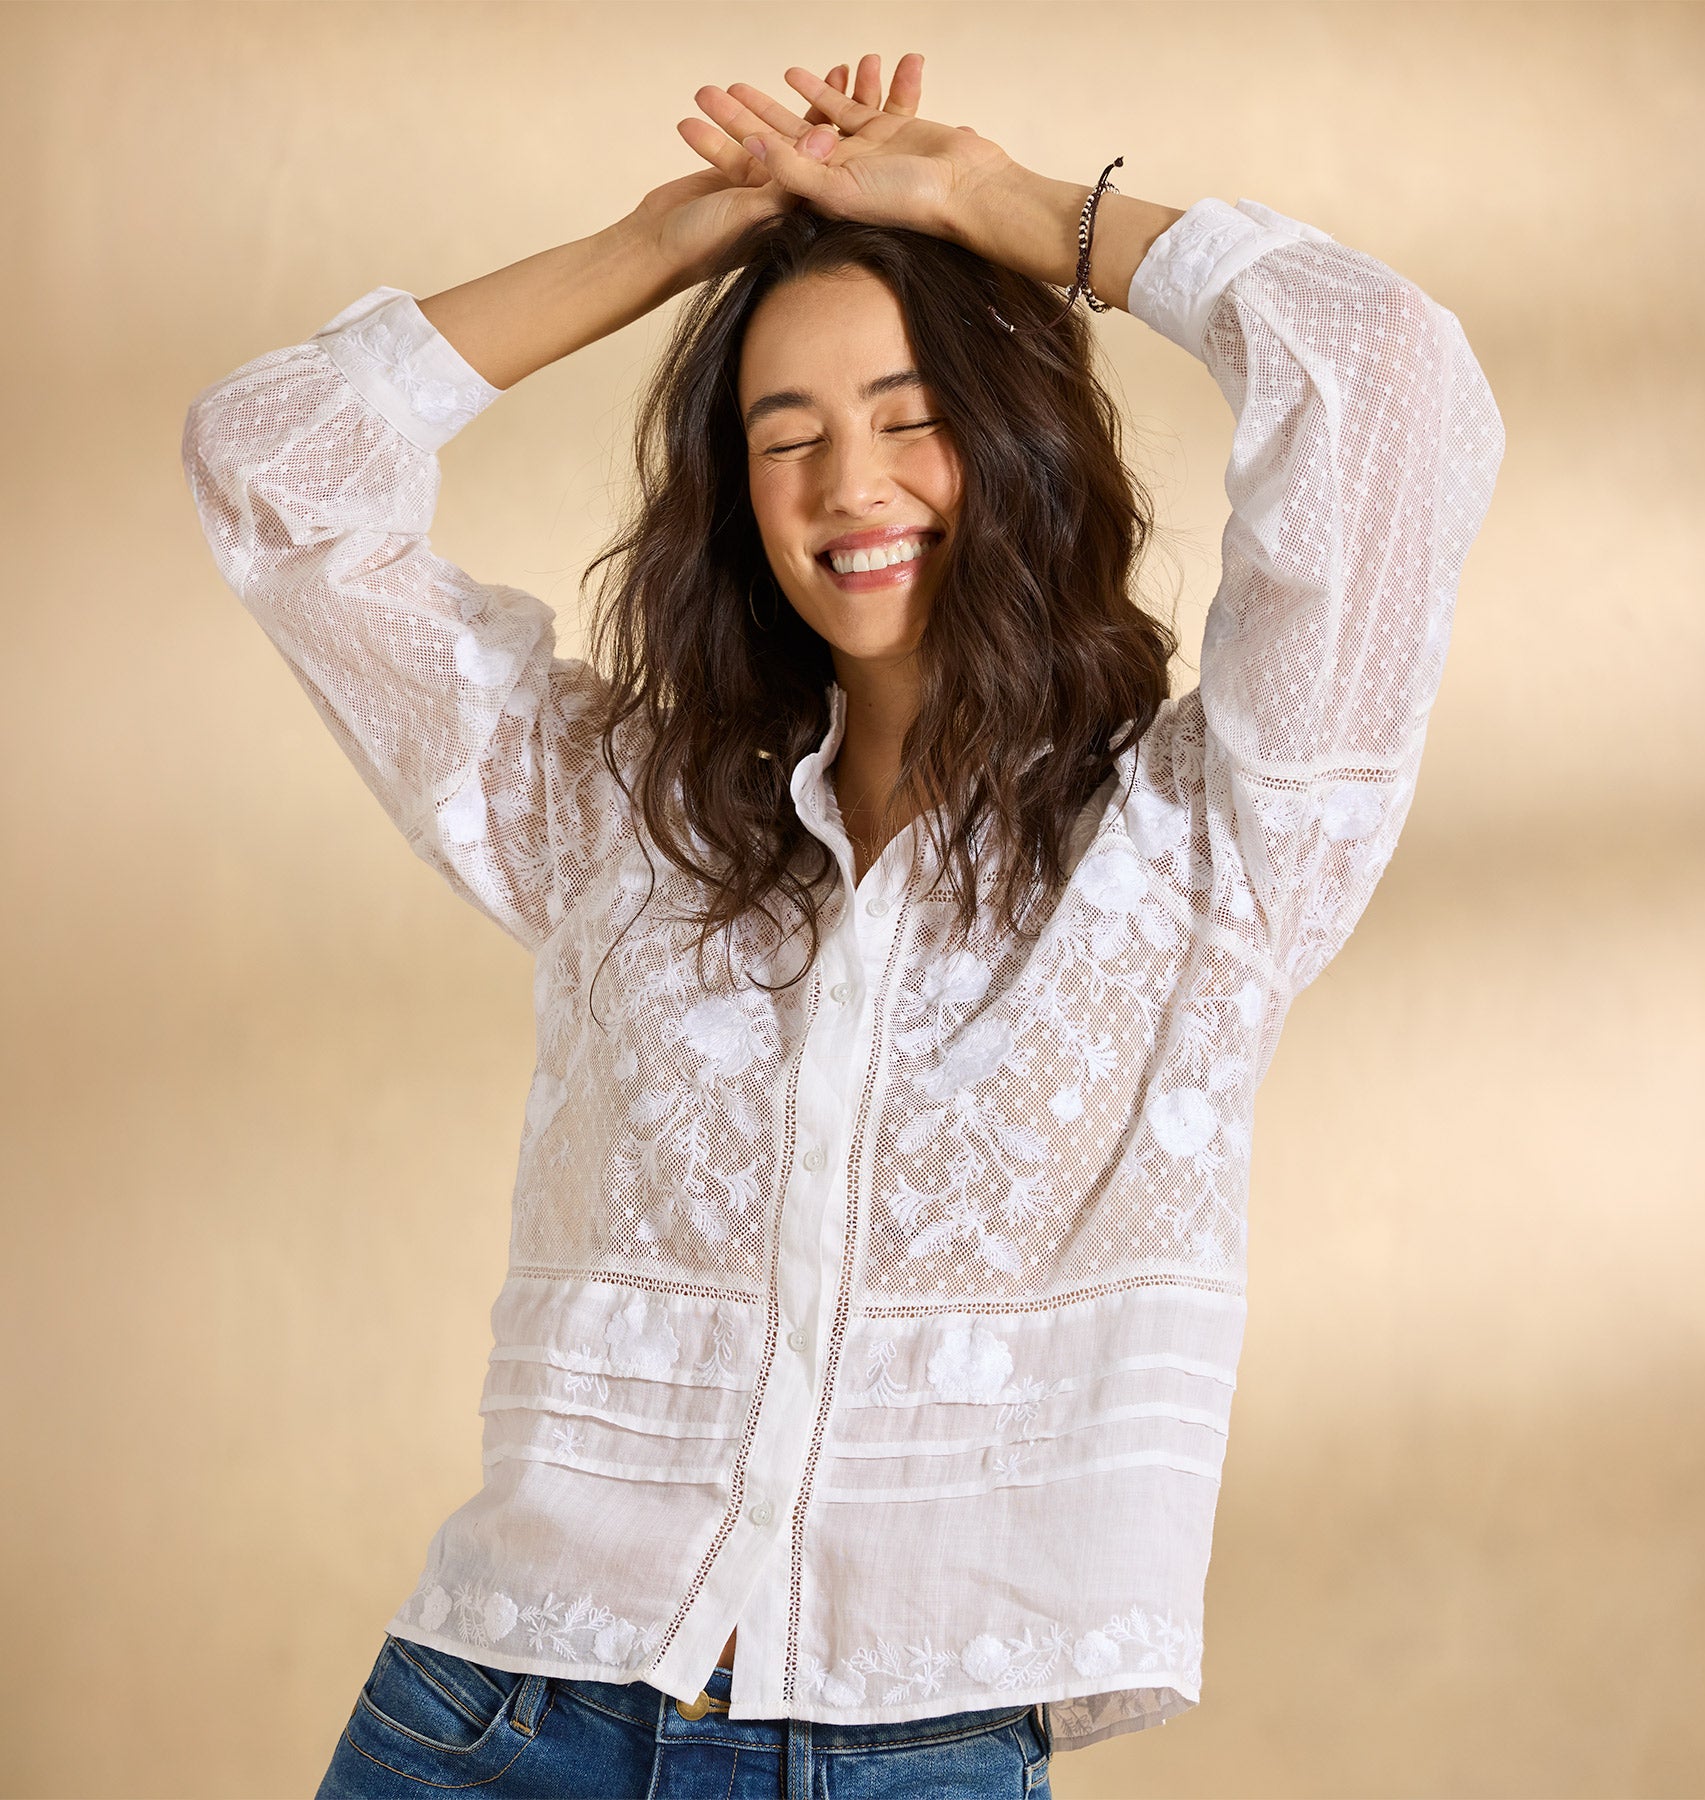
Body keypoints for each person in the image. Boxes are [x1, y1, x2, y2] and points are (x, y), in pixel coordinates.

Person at [182, 49, 1504, 1800]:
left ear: (1015, 447)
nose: (850, 486)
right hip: (499, 1716)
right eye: (785, 437)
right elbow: (271, 465)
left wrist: (997, 203)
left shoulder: (1205, 849)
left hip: (911, 1750)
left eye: (908, 416)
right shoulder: (620, 819)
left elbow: (1387, 379)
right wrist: (670, 245)